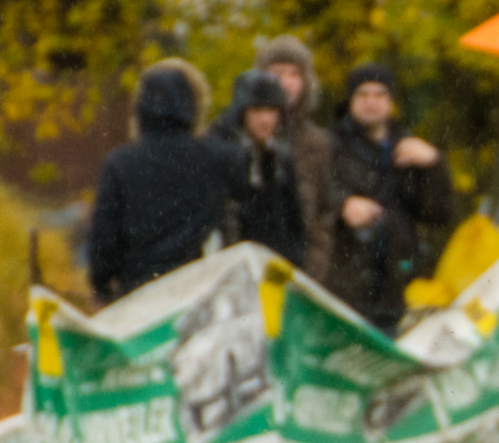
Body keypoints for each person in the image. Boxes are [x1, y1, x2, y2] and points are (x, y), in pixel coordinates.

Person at [88, 67, 244, 303]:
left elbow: (104, 241)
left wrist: (102, 286)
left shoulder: (119, 163)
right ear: (192, 106)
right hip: (201, 291)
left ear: (140, 108)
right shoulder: (218, 158)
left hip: (139, 293)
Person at [326, 63, 454, 334]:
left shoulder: (410, 148)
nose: (371, 102)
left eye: (379, 94)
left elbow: (439, 214)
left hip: (395, 287)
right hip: (341, 286)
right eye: (362, 94)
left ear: (391, 101)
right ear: (350, 100)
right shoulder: (329, 145)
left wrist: (434, 165)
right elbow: (312, 196)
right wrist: (343, 204)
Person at [255, 35, 338, 281]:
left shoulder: (318, 143)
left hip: (304, 273)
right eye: (277, 73)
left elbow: (325, 214)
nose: (286, 82)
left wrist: (314, 269)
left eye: (295, 74)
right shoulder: (238, 136)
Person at [208, 69, 306, 264]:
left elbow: (294, 226)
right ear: (242, 112)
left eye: (271, 111)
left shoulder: (280, 158)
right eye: (257, 110)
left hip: (273, 271)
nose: (265, 119)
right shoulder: (219, 156)